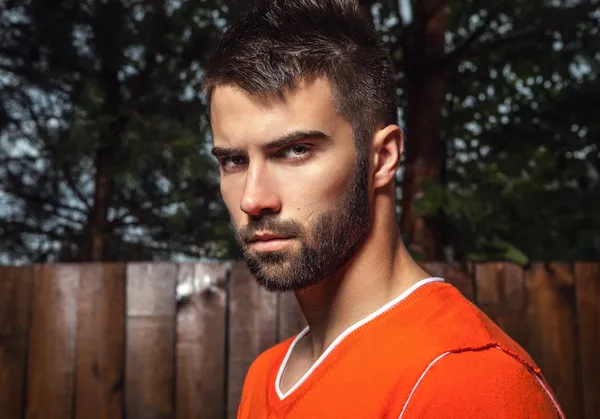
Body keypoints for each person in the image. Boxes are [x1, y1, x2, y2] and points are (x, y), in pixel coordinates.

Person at [203, 0, 565, 417]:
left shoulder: (465, 378)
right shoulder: (265, 375)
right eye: (234, 160)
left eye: (294, 151)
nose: (252, 199)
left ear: (382, 158)